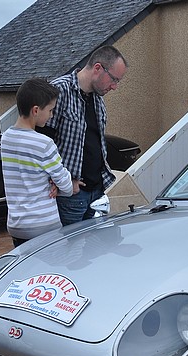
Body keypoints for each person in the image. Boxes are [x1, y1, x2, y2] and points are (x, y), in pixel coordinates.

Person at [39, 45, 127, 225]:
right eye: (114, 79)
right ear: (98, 68)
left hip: (97, 192)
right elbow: (42, 145)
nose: (114, 87)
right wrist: (62, 183)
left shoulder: (98, 99)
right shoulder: (58, 91)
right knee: (69, 243)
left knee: (97, 244)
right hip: (70, 195)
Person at [2, 78, 82, 247]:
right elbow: (67, 187)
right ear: (36, 110)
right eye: (51, 110)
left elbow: (26, 173)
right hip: (43, 225)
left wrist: (50, 181)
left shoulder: (6, 138)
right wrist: (59, 184)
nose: (52, 115)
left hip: (16, 225)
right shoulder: (44, 143)